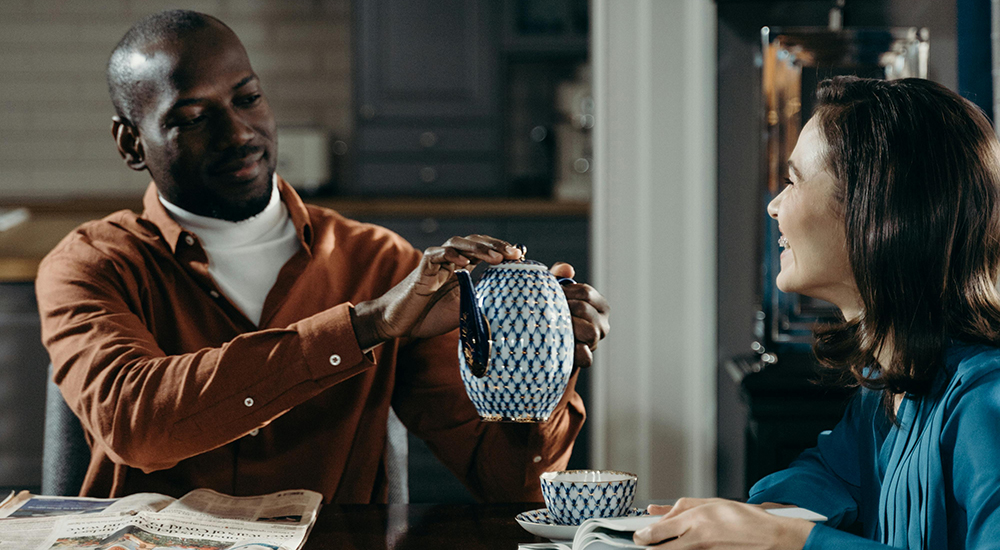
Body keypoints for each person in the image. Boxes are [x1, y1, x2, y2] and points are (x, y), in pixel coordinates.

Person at [35, 10, 610, 503]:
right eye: (192, 117)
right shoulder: (89, 265)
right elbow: (139, 424)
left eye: (248, 98)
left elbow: (510, 487)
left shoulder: (380, 261)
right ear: (131, 143)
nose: (238, 133)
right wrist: (369, 325)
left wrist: (541, 366)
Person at [633, 76, 1000, 549]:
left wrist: (792, 539)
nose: (774, 206)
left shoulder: (985, 402)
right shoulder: (892, 383)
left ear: (874, 209)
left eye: (793, 181)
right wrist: (751, 518)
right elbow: (831, 472)